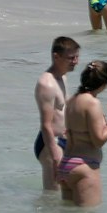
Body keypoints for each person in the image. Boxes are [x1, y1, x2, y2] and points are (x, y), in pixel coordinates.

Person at [58, 60, 107, 207]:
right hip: (84, 167)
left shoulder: (72, 101)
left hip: (65, 165)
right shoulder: (92, 103)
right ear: (105, 83)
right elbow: (98, 140)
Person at [34, 36, 80, 191]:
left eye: (77, 57)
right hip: (51, 144)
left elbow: (63, 108)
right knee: (52, 197)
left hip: (63, 140)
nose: (75, 61)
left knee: (67, 195)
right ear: (56, 56)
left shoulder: (62, 77)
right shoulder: (46, 84)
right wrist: (55, 156)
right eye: (71, 58)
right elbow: (46, 124)